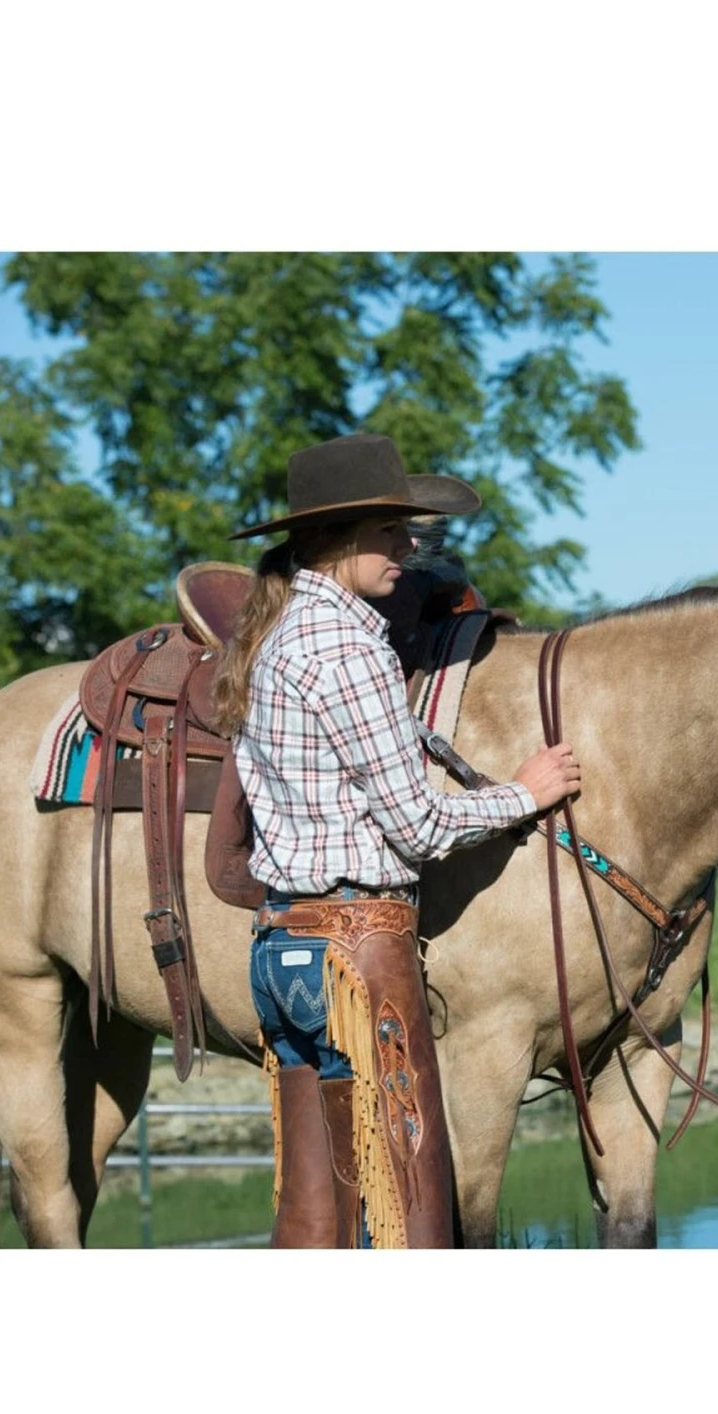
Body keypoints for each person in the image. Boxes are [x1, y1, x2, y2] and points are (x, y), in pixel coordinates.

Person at [211, 432, 580, 1248]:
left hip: (281, 951)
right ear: (339, 540)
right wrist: (527, 792)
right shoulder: (351, 648)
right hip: (359, 954)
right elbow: (416, 824)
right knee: (410, 1213)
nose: (408, 548)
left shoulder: (273, 640)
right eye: (389, 534)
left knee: (316, 1211)